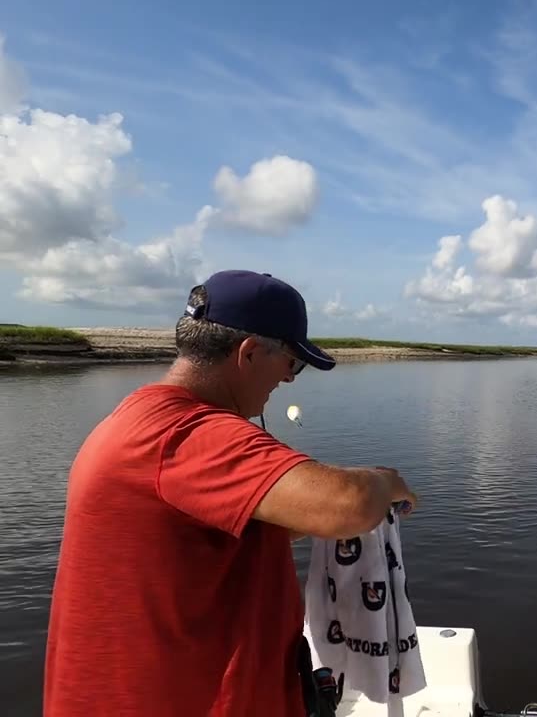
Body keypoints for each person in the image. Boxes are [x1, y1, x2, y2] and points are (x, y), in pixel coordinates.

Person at [43, 269, 419, 717]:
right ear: (249, 353)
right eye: (291, 363)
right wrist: (385, 481)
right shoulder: (183, 433)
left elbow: (217, 539)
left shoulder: (140, 418)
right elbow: (347, 506)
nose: (290, 379)